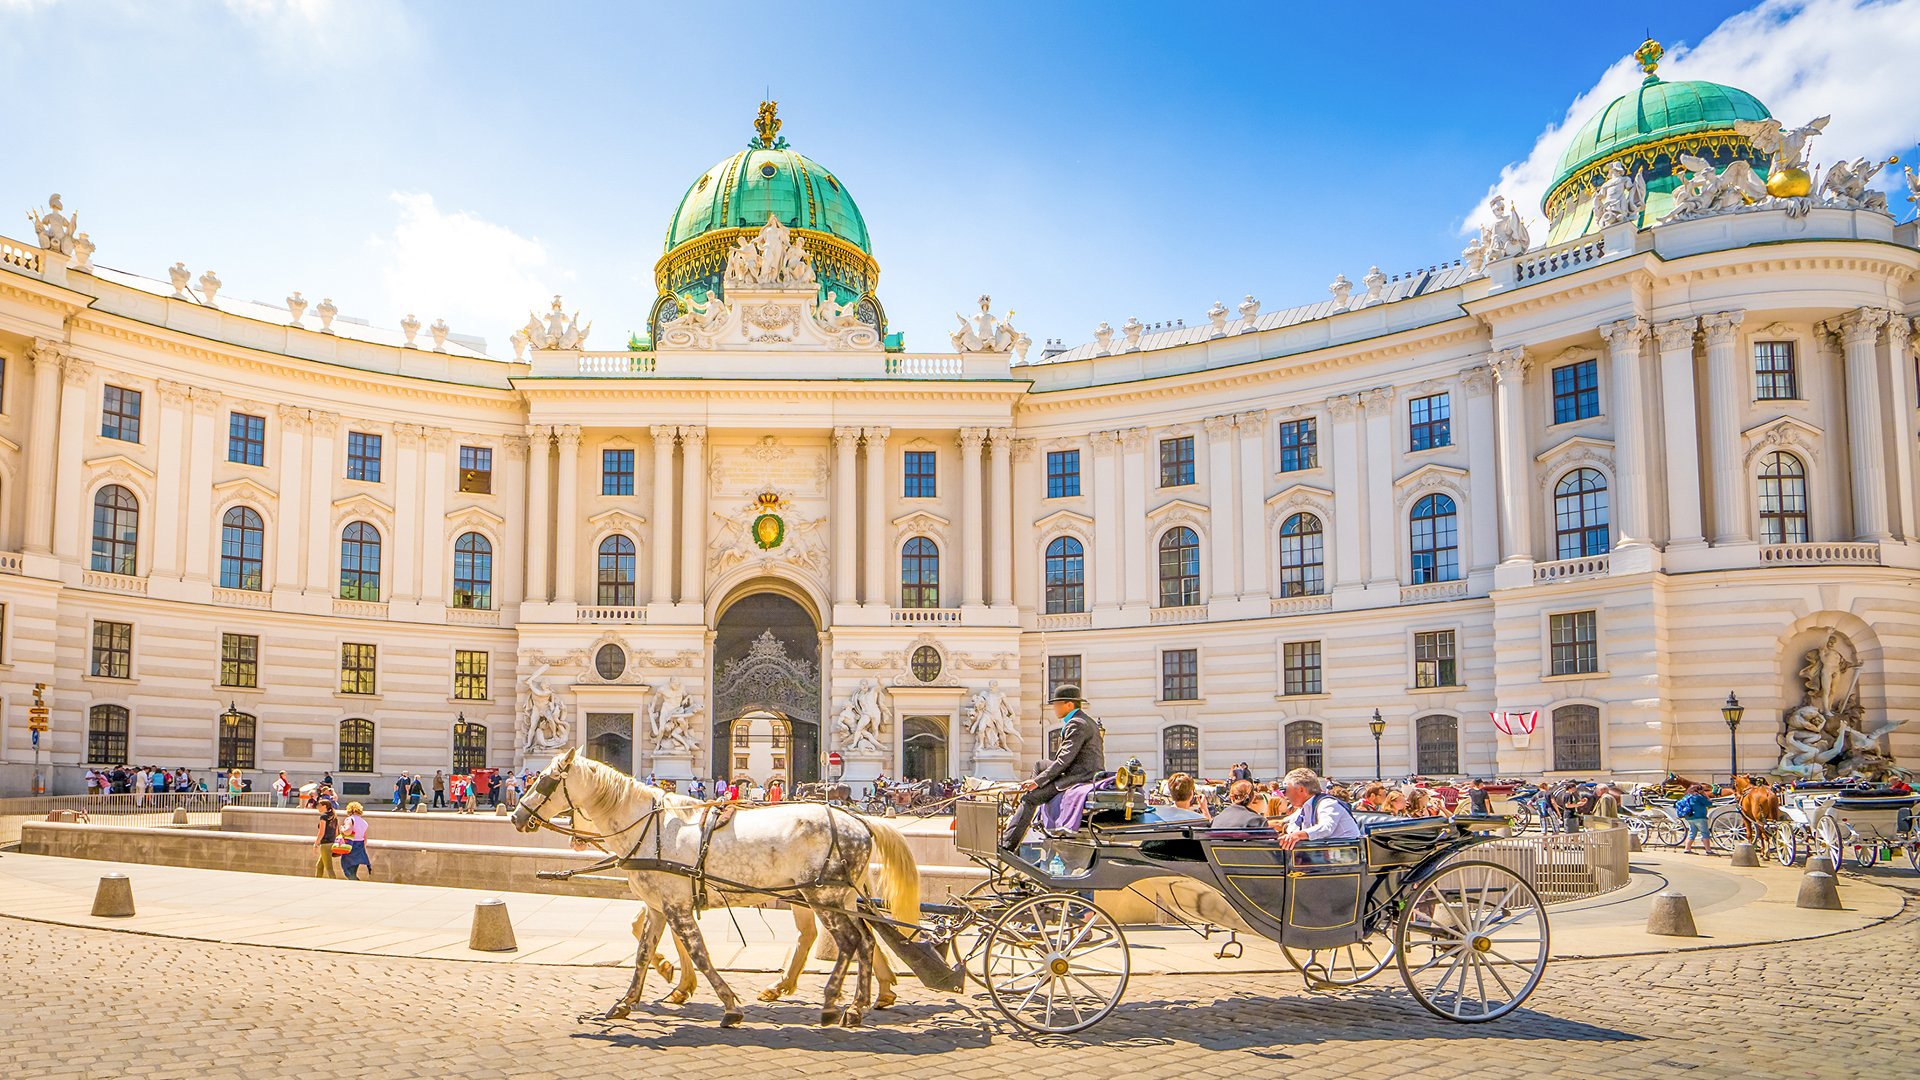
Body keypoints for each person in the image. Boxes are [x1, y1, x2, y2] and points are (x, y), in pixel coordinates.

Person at [999, 684, 1104, 849]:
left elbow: (1064, 761)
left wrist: (1038, 782)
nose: (1054, 708)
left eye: (1056, 704)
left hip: (1079, 775)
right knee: (1040, 764)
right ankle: (1032, 792)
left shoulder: (1077, 724)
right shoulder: (1082, 720)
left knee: (1030, 798)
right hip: (1079, 769)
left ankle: (1006, 844)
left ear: (1068, 704)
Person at [1277, 768, 1363, 849]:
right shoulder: (1305, 806)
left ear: (1301, 789)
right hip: (1323, 853)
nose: (1285, 795)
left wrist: (1298, 835)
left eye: (1286, 790)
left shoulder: (1327, 803)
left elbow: (1326, 828)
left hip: (1345, 854)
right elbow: (1287, 823)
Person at [339, 801, 373, 880]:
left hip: (351, 845)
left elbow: (348, 831)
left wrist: (342, 829)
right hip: (360, 845)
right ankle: (354, 882)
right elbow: (365, 837)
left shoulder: (350, 819)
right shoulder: (364, 822)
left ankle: (355, 881)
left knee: (346, 867)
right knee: (354, 868)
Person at [1676, 784, 1713, 855]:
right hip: (1700, 817)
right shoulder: (1699, 797)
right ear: (1699, 790)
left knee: (1692, 833)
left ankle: (1687, 849)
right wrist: (1705, 794)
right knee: (1705, 833)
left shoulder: (1687, 796)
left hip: (1690, 817)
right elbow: (1709, 803)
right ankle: (1708, 850)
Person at [314, 800, 339, 878]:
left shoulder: (323, 816)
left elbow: (321, 832)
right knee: (319, 865)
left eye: (319, 805)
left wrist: (316, 843)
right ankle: (317, 881)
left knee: (329, 868)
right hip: (331, 843)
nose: (317, 807)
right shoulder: (334, 816)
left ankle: (334, 882)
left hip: (325, 844)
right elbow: (337, 832)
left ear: (324, 806)